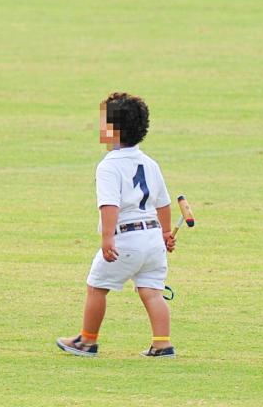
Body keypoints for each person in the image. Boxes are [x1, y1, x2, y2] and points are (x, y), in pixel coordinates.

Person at [56, 92, 177, 358]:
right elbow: (163, 203)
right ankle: (162, 343)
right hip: (153, 238)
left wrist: (107, 238)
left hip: (126, 238)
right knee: (151, 291)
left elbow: (110, 205)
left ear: (114, 130)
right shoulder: (150, 163)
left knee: (97, 287)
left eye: (103, 122)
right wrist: (166, 233)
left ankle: (87, 341)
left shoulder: (109, 166)